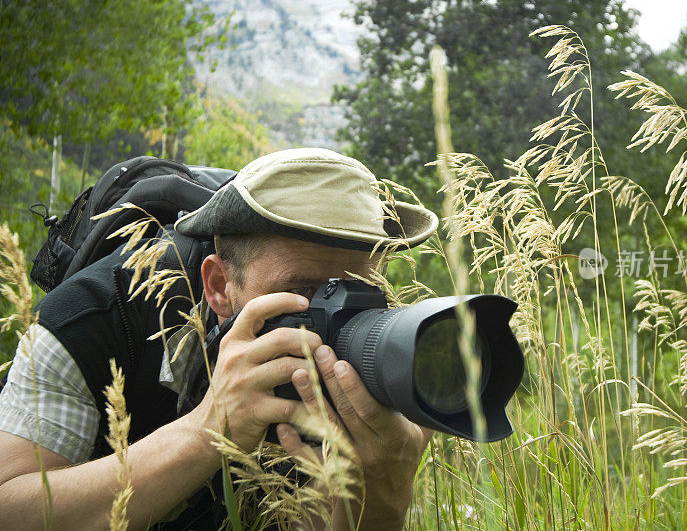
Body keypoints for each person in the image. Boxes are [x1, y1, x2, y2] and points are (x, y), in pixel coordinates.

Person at [0, 148, 439, 529]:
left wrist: (382, 484)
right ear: (219, 286)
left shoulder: (368, 363)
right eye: (305, 292)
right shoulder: (91, 321)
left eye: (358, 291)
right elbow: (10, 511)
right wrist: (206, 429)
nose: (340, 319)